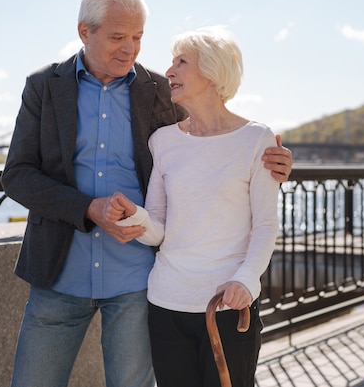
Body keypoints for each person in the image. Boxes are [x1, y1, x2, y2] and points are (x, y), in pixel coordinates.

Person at [0, 0, 292, 387]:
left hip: (138, 283)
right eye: (118, 37)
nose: (130, 49)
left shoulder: (159, 91)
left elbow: (214, 141)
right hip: (59, 275)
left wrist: (275, 161)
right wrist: (88, 208)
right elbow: (17, 175)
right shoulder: (44, 87)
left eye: (138, 37)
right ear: (85, 31)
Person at [111, 26, 279, 387]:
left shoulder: (256, 138)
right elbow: (158, 225)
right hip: (165, 302)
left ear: (214, 72)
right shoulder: (164, 141)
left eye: (182, 62)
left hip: (228, 306)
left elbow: (265, 224)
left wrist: (247, 280)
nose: (169, 71)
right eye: (171, 63)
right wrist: (134, 217)